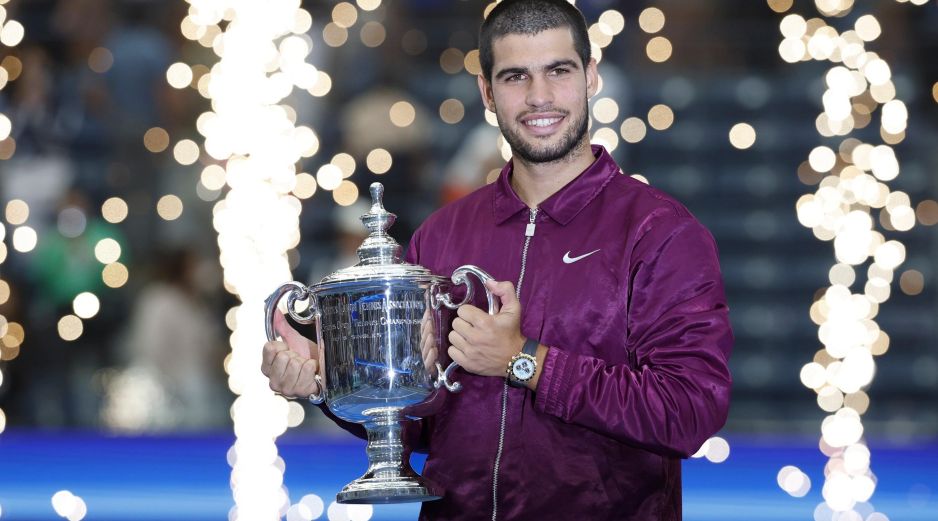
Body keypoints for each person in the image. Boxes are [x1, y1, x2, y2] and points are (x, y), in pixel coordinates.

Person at [262, 1, 733, 519]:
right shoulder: (443, 233)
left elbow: (689, 412)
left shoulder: (659, 231)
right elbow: (421, 421)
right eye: (515, 76)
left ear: (591, 77)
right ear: (487, 92)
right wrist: (332, 380)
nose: (539, 96)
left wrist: (524, 360)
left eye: (559, 70)